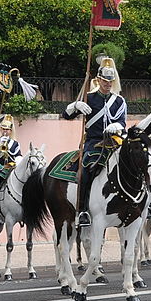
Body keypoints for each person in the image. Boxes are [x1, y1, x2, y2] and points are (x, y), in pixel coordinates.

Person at [63, 57, 128, 228]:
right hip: (95, 141)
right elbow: (67, 116)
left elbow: (122, 122)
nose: (108, 84)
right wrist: (74, 106)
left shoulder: (119, 101)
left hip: (115, 141)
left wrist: (117, 126)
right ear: (98, 80)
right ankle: (83, 210)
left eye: (110, 81)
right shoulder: (89, 98)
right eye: (105, 80)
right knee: (87, 168)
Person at [0, 114, 23, 225]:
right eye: (3, 129)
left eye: (7, 129)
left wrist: (18, 162)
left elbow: (18, 156)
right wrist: (0, 145)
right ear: (0, 129)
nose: (5, 131)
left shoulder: (15, 143)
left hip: (11, 167)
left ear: (10, 131)